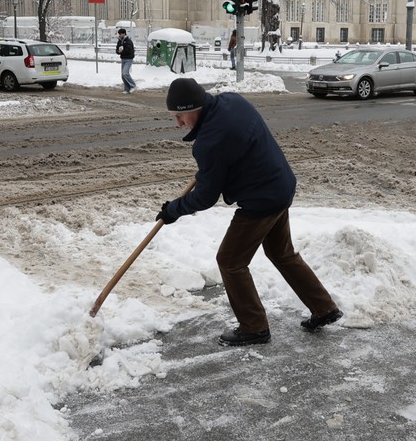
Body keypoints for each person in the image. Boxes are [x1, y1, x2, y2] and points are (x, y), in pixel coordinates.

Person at [156, 78, 342, 347]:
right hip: (281, 184)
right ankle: (324, 308)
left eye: (180, 116)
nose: (179, 124)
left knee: (230, 261)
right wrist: (211, 169)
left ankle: (254, 327)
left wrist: (174, 209)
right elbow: (234, 147)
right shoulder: (233, 101)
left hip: (262, 199)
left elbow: (206, 197)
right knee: (282, 253)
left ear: (194, 107)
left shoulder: (209, 143)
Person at [116, 28, 136, 94]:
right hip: (123, 58)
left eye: (121, 34)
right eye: (119, 34)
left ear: (124, 33)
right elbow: (117, 50)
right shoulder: (119, 41)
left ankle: (133, 85)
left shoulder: (128, 41)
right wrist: (119, 51)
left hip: (129, 59)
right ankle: (127, 89)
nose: (120, 35)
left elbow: (129, 50)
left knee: (125, 73)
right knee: (123, 75)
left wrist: (122, 51)